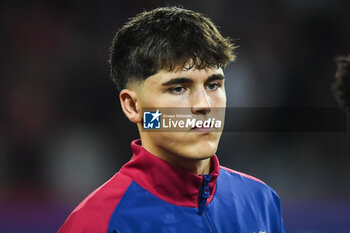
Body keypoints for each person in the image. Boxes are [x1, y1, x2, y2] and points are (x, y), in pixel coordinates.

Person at [58, 6, 285, 233]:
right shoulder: (96, 223)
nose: (204, 104)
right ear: (133, 106)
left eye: (213, 85)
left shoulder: (260, 201)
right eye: (178, 89)